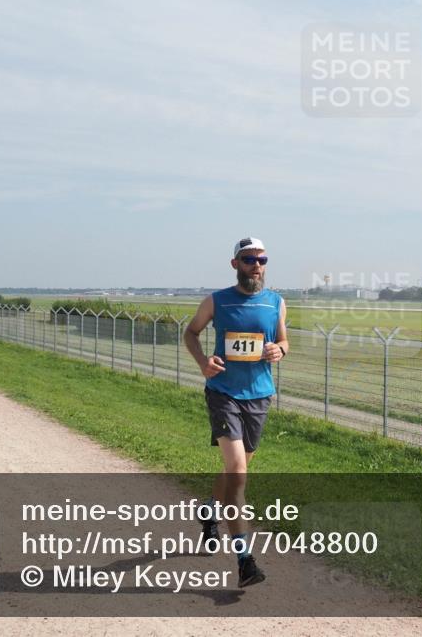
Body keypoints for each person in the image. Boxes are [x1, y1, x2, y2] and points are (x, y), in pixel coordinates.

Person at [183, 237, 288, 588]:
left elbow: (284, 341)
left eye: (261, 260)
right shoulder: (217, 300)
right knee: (238, 471)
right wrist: (203, 362)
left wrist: (280, 350)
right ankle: (245, 562)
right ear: (235, 264)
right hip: (223, 394)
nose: (256, 265)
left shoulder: (276, 303)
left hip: (259, 397)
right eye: (248, 259)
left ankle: (210, 509)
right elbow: (191, 333)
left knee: (235, 470)